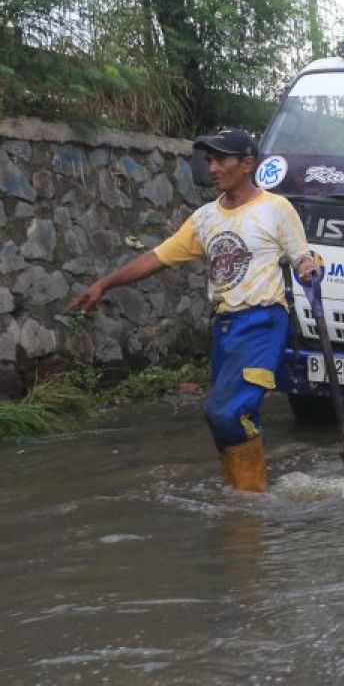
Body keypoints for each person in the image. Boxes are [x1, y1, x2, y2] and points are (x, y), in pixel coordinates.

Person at [70, 129, 317, 492]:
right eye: (209, 160)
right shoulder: (205, 218)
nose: (212, 167)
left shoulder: (276, 209)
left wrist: (310, 266)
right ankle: (244, 499)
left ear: (247, 164)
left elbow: (301, 255)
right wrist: (105, 283)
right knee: (222, 417)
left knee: (226, 412)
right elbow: (157, 258)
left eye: (221, 159)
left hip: (263, 323)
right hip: (225, 329)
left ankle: (249, 505)